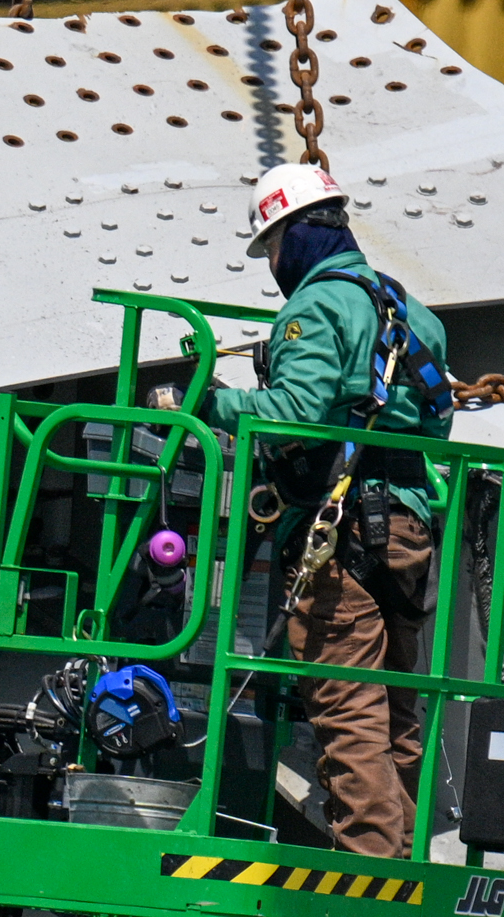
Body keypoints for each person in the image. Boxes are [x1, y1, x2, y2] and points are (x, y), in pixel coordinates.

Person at [190, 160, 458, 859]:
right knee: (398, 708)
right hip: (407, 528)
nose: (273, 264)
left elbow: (293, 416)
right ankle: (402, 856)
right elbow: (436, 429)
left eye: (272, 246)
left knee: (347, 706)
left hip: (338, 535)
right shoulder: (414, 314)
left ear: (299, 233)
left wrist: (206, 402)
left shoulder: (314, 309)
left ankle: (371, 866)